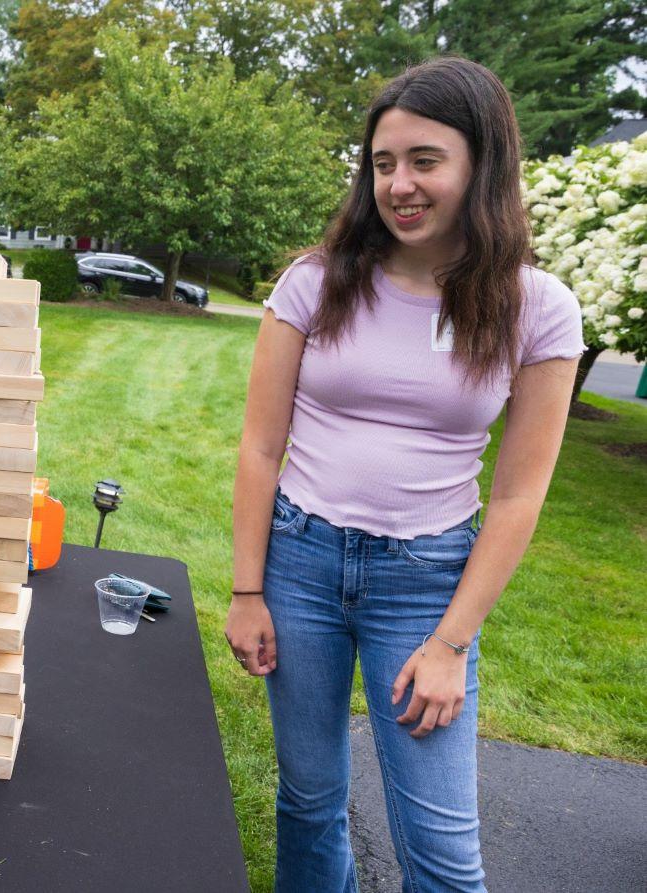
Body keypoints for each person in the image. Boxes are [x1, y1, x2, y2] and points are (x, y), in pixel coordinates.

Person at [225, 58, 583, 892]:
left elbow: (520, 494)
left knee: (443, 855)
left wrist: (452, 641)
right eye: (384, 164)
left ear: (481, 165)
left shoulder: (537, 307)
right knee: (309, 803)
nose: (400, 184)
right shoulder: (315, 281)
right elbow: (259, 447)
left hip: (425, 585)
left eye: (425, 160)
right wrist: (248, 591)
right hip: (299, 563)